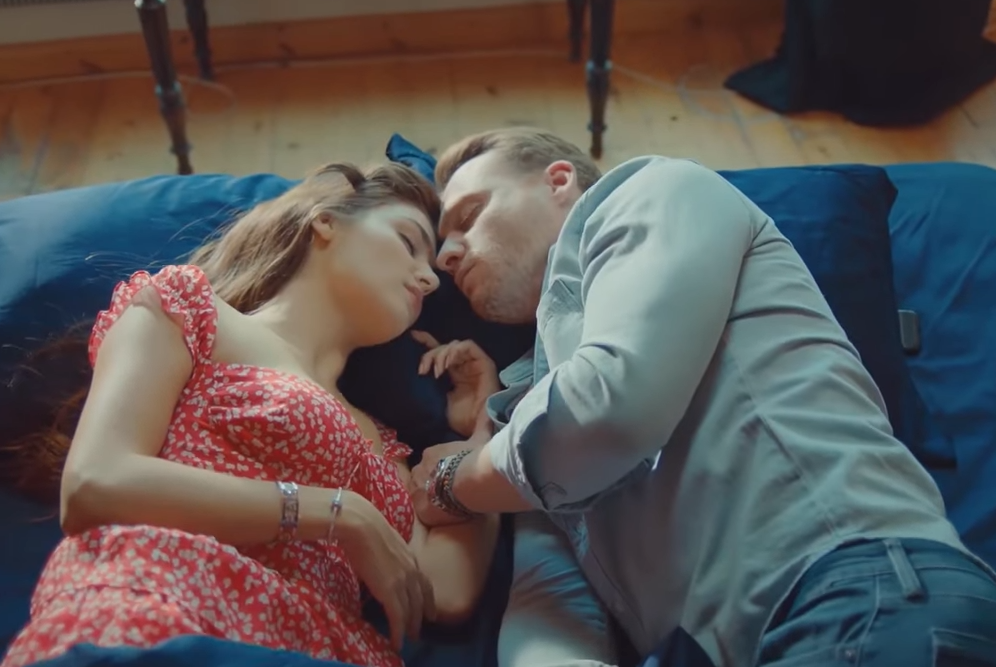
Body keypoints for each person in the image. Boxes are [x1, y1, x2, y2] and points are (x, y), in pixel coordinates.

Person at [408, 128, 996, 667]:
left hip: (851, 591)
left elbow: (610, 412)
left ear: (558, 181)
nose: (445, 256)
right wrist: (483, 433)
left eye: (469, 216)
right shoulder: (532, 408)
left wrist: (451, 482)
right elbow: (549, 596)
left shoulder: (654, 190)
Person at [1, 163, 500, 667]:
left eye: (432, 269)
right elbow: (94, 485)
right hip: (166, 602)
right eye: (408, 242)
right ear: (326, 221)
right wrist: (338, 514)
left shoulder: (384, 446)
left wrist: (485, 433)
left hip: (322, 649)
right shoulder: (192, 310)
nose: (427, 279)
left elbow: (446, 592)